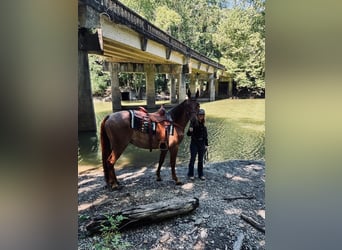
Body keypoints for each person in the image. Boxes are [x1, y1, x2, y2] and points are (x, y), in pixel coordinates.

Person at [187, 108, 208, 180]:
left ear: (204, 116)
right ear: (197, 115)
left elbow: (205, 136)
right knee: (192, 159)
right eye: (200, 115)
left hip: (201, 144)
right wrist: (190, 130)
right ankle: (190, 174)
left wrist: (206, 145)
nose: (201, 116)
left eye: (202, 115)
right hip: (194, 144)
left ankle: (201, 174)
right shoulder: (193, 123)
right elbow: (188, 134)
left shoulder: (203, 124)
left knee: (200, 160)